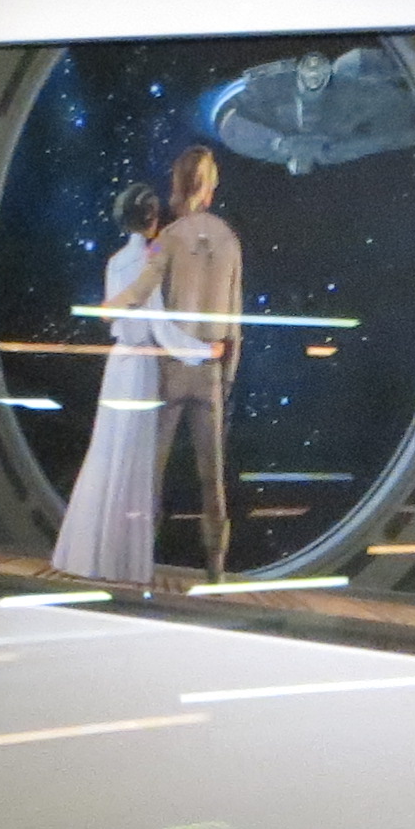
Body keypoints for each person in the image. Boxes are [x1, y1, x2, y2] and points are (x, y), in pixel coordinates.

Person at [48, 183, 167, 585]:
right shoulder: (150, 262)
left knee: (106, 452)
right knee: (131, 458)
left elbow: (114, 314)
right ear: (151, 218)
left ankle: (89, 554)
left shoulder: (116, 260)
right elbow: (159, 324)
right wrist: (201, 350)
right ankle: (119, 562)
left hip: (118, 363)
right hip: (141, 365)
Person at [147, 142, 243, 577]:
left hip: (170, 370)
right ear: (208, 187)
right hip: (210, 373)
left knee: (153, 473)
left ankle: (141, 558)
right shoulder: (228, 241)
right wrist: (227, 377)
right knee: (212, 480)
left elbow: (152, 314)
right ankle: (216, 568)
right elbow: (235, 320)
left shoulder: (166, 240)